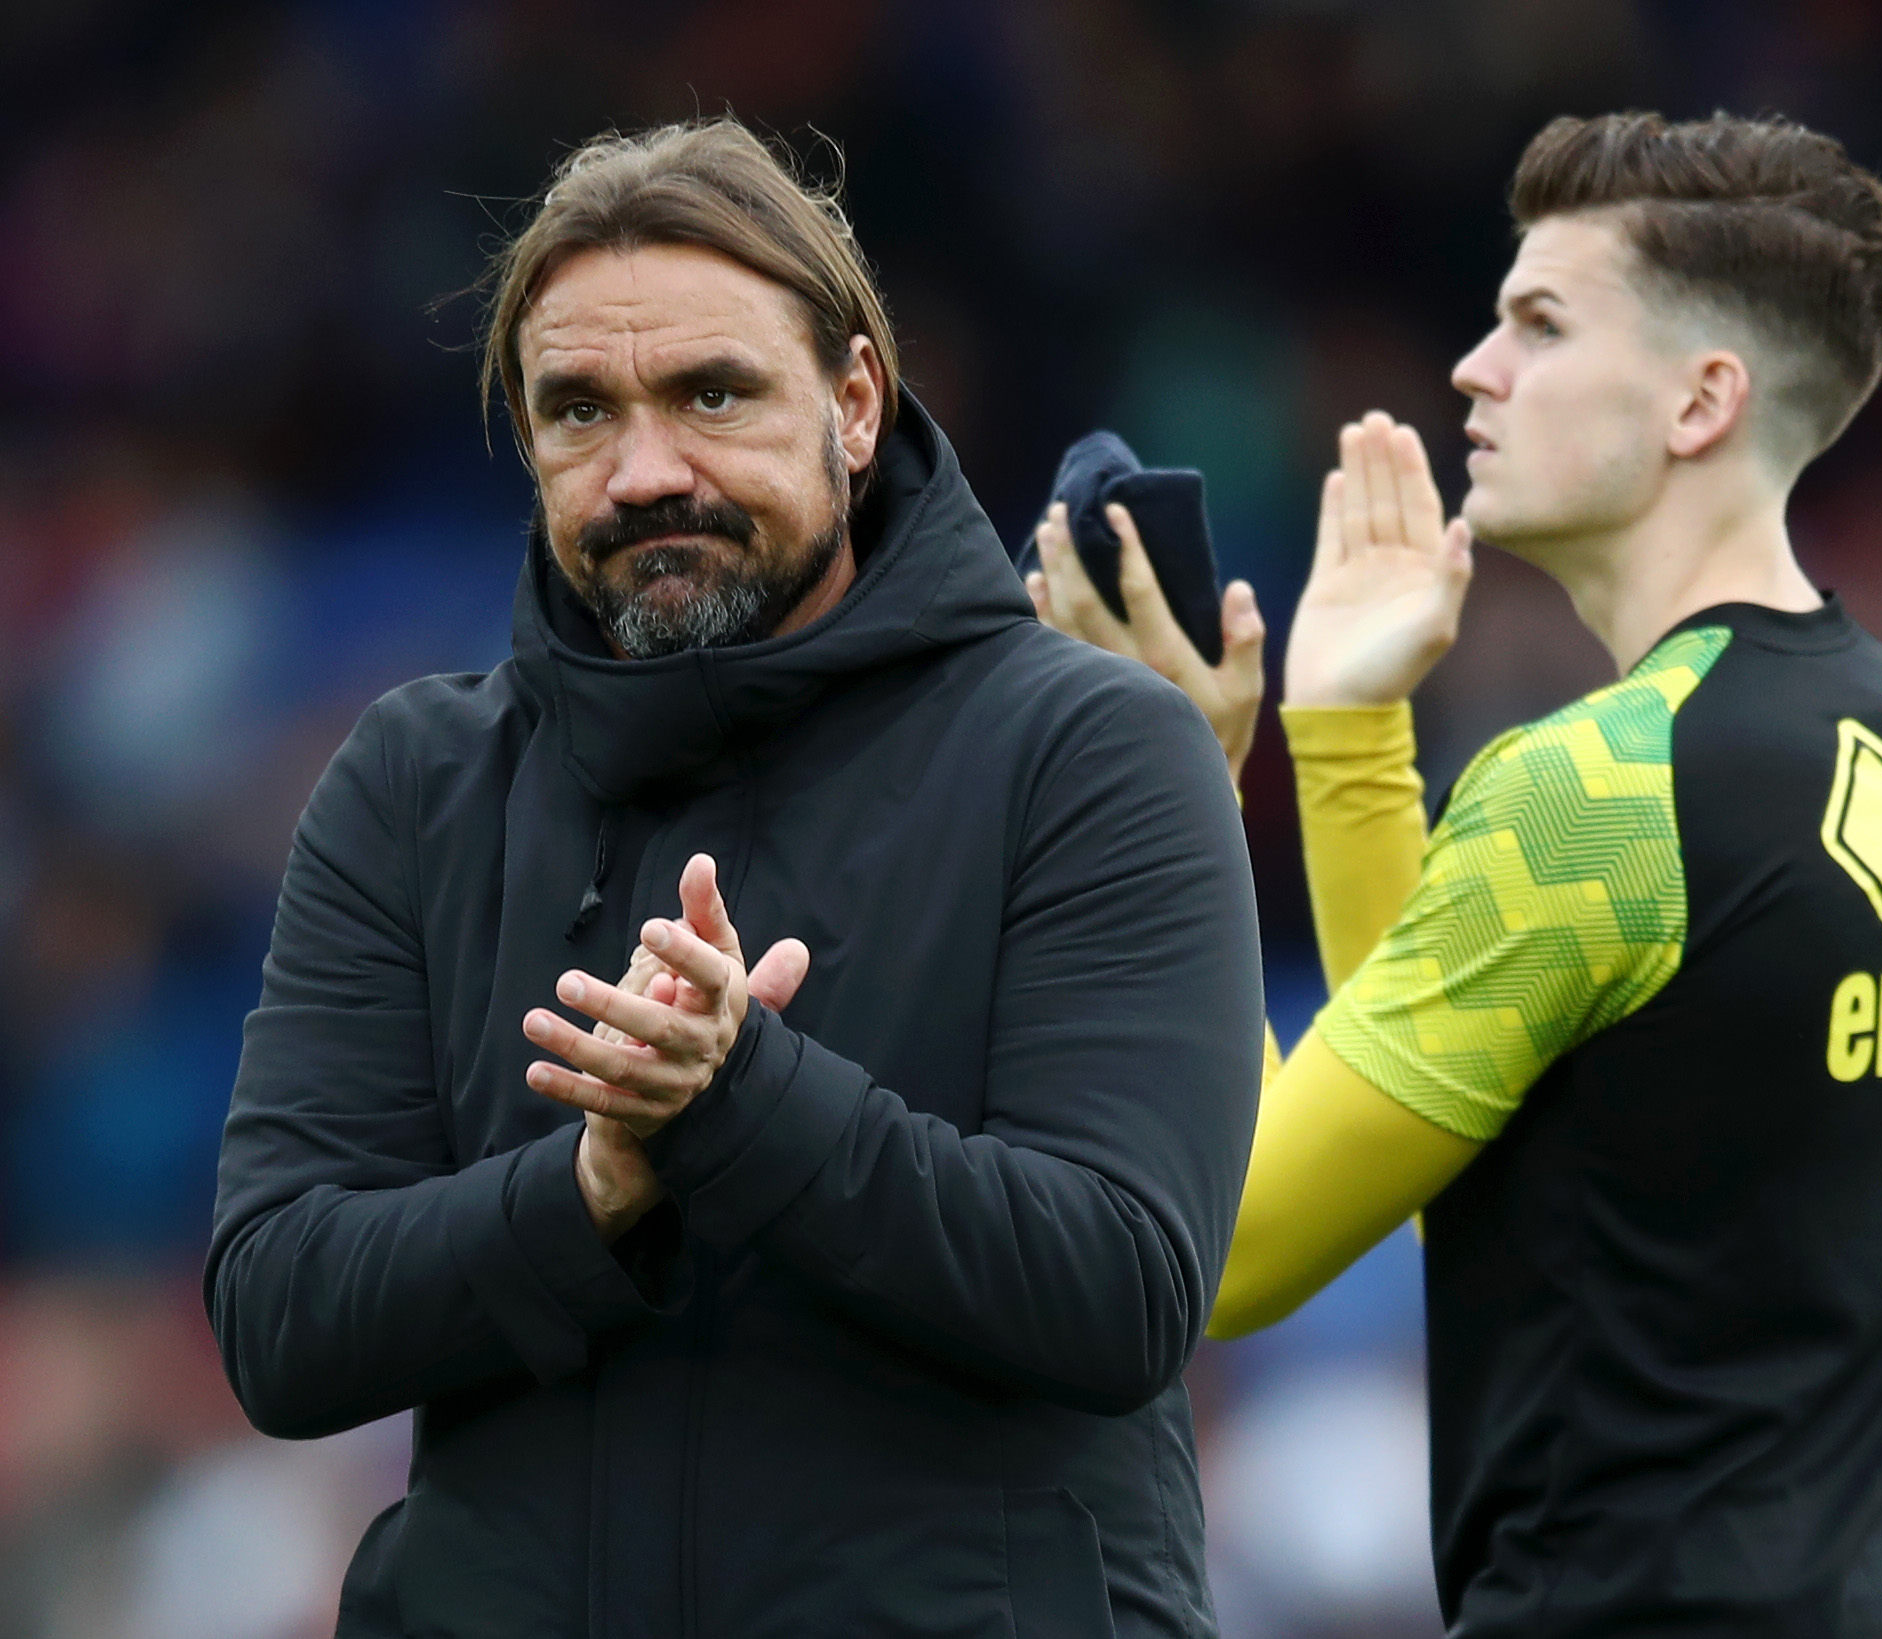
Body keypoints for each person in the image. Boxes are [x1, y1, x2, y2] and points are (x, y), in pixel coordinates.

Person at [205, 119, 1264, 1638]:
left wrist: (740, 1104)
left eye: (712, 394)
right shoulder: (415, 779)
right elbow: (279, 1319)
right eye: (580, 411)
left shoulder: (1093, 746)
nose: (646, 473)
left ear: (853, 404)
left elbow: (1122, 1291)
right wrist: (589, 1193)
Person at [1037, 111, 1882, 1637]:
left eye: (1541, 325)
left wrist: (1170, 800)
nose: (1473, 369)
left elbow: (1220, 1249)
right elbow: (1488, 1181)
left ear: (1702, 400)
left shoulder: (1603, 791)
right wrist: (1348, 733)